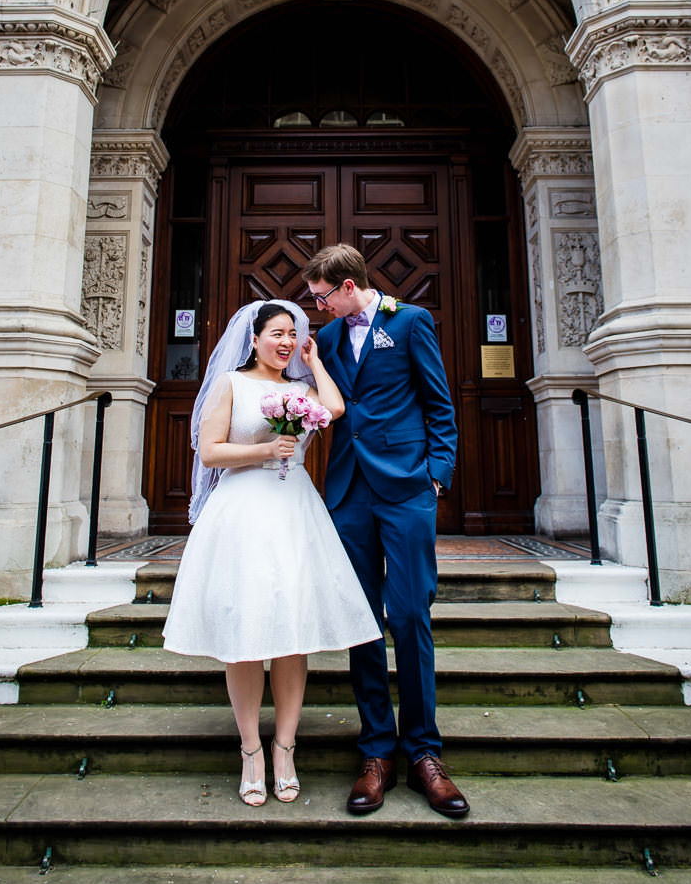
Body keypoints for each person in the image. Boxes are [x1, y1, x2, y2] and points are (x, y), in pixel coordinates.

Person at [163, 299, 380, 808]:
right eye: (277, 334)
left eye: (293, 335)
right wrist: (265, 449)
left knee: (291, 631)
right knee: (245, 631)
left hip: (293, 510)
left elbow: (337, 408)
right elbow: (209, 449)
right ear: (254, 338)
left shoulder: (301, 389)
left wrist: (317, 361)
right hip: (241, 511)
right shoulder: (231, 385)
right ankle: (250, 752)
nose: (285, 343)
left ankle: (285, 748)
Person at [302, 244, 470, 819]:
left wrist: (437, 478)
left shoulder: (411, 322)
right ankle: (377, 752)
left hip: (407, 490)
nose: (315, 305)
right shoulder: (323, 341)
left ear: (348, 286)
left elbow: (439, 404)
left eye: (321, 296)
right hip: (348, 492)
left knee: (410, 615)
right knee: (361, 620)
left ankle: (425, 753)